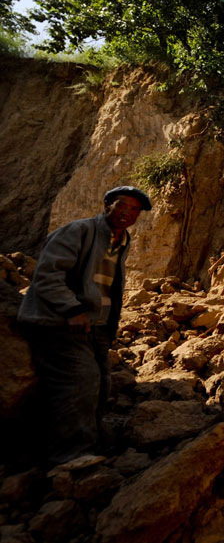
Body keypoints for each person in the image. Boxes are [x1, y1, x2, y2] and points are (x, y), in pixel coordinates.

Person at [18, 186, 151, 465]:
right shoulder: (79, 231)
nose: (127, 212)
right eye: (121, 205)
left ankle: (93, 444)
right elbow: (47, 274)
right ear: (107, 205)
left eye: (134, 209)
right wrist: (72, 309)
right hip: (60, 322)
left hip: (95, 327)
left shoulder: (120, 242)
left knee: (102, 384)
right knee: (81, 381)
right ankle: (69, 457)